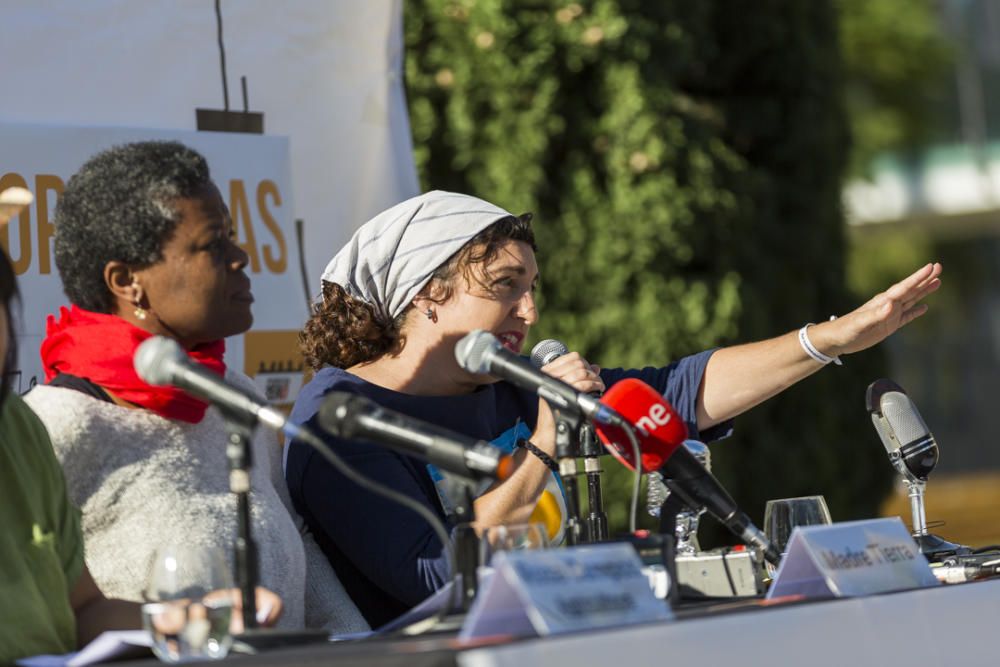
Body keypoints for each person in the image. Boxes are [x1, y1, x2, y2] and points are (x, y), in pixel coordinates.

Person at [284, 190, 941, 626]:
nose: (530, 311)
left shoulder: (504, 381)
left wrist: (828, 339)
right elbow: (435, 581)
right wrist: (547, 438)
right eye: (507, 287)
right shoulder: (340, 422)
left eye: (532, 288)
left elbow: (677, 394)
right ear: (428, 293)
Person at [24, 142, 367, 632]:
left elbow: (296, 543)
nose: (241, 256)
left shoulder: (236, 395)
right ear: (127, 282)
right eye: (212, 245)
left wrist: (357, 644)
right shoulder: (54, 426)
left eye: (232, 236)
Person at [0, 191, 280, 663]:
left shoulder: (17, 428)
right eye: (213, 244)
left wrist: (182, 617)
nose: (240, 258)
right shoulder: (55, 416)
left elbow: (85, 608)